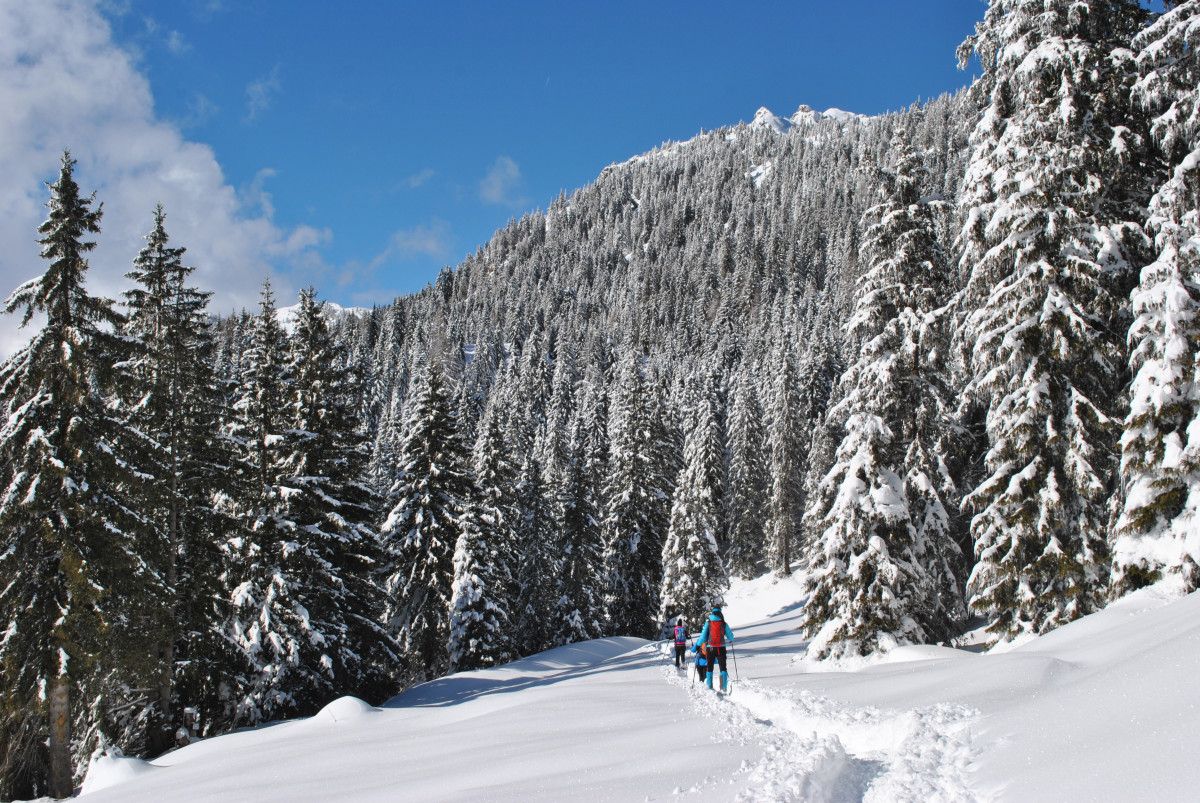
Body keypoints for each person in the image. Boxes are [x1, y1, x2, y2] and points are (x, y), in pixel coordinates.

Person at [694, 606, 734, 691]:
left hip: (710, 648)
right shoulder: (724, 624)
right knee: (723, 667)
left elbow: (703, 636)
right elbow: (730, 638)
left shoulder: (708, 623)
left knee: (709, 667)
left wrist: (698, 646)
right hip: (721, 648)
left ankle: (709, 686)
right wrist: (730, 637)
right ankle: (723, 687)